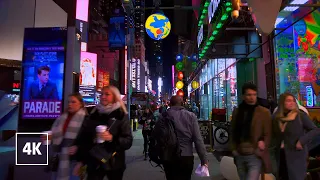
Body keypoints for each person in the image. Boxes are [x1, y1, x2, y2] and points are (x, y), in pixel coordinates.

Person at [74, 86, 133, 180]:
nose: (103, 97)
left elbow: (128, 141)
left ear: (115, 97)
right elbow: (84, 138)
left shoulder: (121, 115)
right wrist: (80, 161)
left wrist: (111, 138)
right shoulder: (94, 113)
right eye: (101, 94)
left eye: (107, 94)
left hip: (114, 164)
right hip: (94, 162)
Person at [156, 95, 208, 180]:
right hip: (186, 155)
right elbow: (198, 139)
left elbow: (158, 135)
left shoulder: (163, 116)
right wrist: (204, 159)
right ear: (182, 103)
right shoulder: (191, 116)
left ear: (170, 104)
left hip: (168, 156)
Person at [271, 92, 320, 180]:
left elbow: (315, 130)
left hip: (296, 154)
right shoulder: (276, 117)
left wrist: (301, 141)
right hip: (281, 155)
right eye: (288, 101)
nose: (292, 103)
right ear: (282, 103)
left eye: (293, 101)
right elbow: (272, 135)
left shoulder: (300, 116)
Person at [230, 83, 272, 180]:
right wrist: (233, 149)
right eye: (249, 95)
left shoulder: (263, 112)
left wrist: (263, 143)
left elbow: (268, 133)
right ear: (243, 96)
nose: (252, 97)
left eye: (254, 94)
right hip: (240, 153)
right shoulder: (238, 111)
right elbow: (232, 130)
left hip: (254, 154)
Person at [42, 92, 87, 180]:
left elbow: (88, 140)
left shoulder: (85, 119)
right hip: (60, 157)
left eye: (73, 102)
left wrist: (78, 147)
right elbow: (58, 135)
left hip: (75, 160)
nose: (70, 104)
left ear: (81, 104)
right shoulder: (62, 118)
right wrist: (51, 138)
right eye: (69, 102)